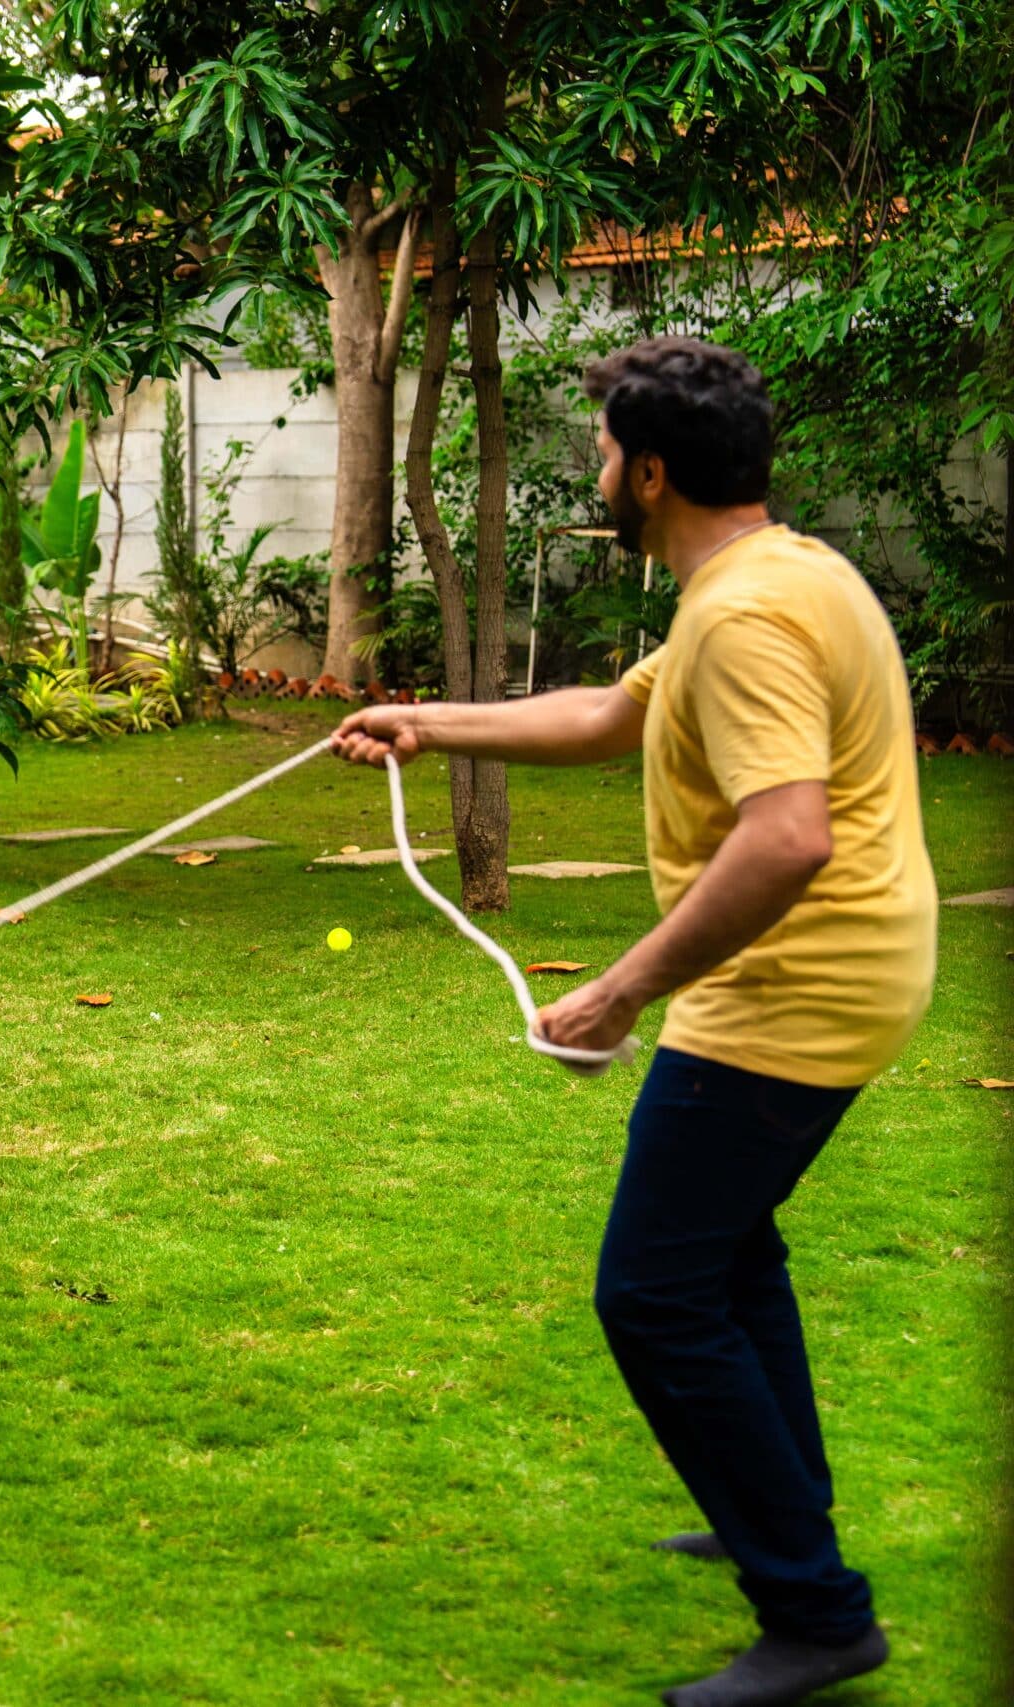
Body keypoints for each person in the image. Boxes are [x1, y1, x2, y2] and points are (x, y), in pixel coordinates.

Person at [333, 337, 934, 1707]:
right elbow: (615, 715)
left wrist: (621, 987)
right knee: (725, 1259)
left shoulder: (746, 616)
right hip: (841, 972)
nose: (596, 470)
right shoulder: (782, 572)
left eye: (604, 449)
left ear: (649, 471)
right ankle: (767, 1504)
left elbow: (788, 838)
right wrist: (427, 720)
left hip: (792, 991)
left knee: (655, 1293)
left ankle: (816, 1608)